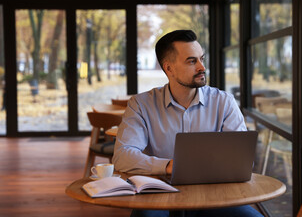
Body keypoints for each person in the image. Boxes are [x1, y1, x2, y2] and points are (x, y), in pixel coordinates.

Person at [112, 30, 263, 217]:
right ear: (169, 68)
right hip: (160, 195)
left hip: (215, 196)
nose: (202, 67)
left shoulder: (224, 102)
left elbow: (241, 160)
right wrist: (169, 166)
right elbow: (122, 156)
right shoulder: (141, 105)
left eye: (202, 58)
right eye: (192, 61)